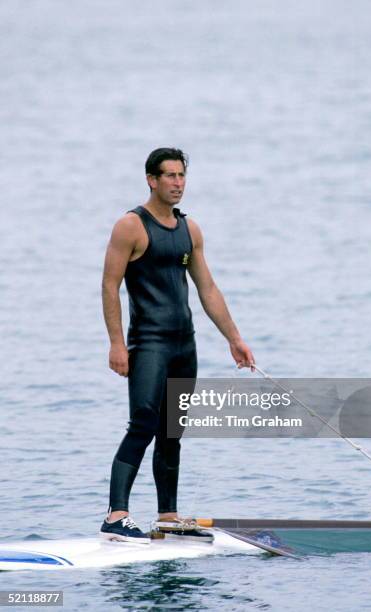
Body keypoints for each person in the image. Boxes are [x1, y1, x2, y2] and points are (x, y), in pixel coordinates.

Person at [100, 148, 255, 543]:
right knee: (144, 423)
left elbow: (207, 289)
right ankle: (116, 516)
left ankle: (167, 516)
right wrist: (117, 344)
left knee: (172, 430)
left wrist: (234, 339)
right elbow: (109, 285)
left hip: (184, 345)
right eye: (169, 176)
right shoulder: (131, 226)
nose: (177, 183)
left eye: (181, 175)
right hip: (149, 344)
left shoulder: (191, 230)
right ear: (151, 180)